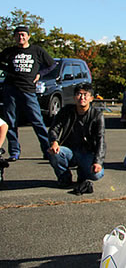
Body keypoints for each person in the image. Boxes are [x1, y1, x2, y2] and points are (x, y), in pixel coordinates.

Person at [0, 25, 56, 161]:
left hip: (29, 90)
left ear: (28, 36)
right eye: (18, 35)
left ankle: (47, 150)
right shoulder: (9, 51)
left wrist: (39, 74)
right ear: (14, 37)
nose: (21, 37)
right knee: (11, 122)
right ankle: (14, 152)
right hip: (11, 89)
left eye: (23, 35)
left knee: (37, 121)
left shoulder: (37, 51)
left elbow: (52, 64)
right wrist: (8, 70)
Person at [47, 82, 105, 189]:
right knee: (55, 153)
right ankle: (64, 177)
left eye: (85, 95)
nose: (82, 97)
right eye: (79, 94)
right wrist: (54, 141)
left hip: (87, 152)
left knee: (97, 174)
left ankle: (82, 173)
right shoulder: (66, 111)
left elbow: (100, 139)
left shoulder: (97, 115)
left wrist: (98, 162)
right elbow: (54, 129)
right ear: (74, 97)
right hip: (69, 150)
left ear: (91, 98)